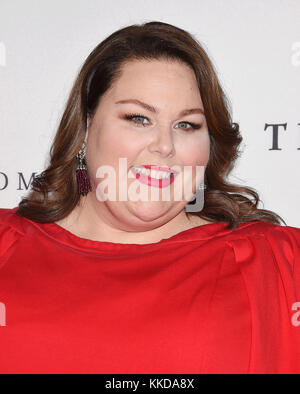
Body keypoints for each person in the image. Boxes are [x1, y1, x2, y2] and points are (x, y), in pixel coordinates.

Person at [0, 21, 299, 374]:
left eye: (187, 124)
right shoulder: (7, 245)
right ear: (86, 126)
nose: (164, 146)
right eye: (139, 118)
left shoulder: (278, 263)